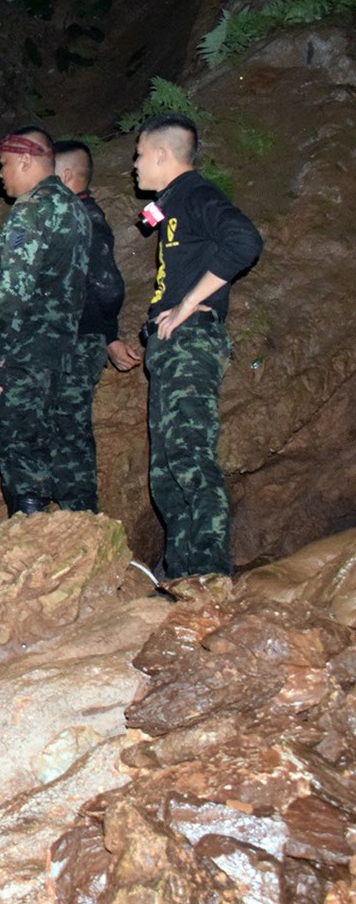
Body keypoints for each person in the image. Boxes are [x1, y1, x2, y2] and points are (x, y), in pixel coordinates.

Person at [132, 113, 263, 578]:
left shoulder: (196, 194)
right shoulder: (173, 203)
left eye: (140, 154)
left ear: (163, 155)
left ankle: (208, 572)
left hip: (191, 342)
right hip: (171, 347)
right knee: (167, 469)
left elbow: (244, 240)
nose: (134, 164)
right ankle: (181, 573)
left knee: (188, 455)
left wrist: (188, 303)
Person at [0, 126, 90, 516]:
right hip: (60, 354)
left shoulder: (30, 209)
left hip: (23, 353)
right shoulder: (76, 209)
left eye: (5, 164)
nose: (0, 174)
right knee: (52, 445)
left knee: (21, 453)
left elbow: (12, 286)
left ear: (26, 160)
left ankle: (29, 532)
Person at [50, 141, 141, 513]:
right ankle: (68, 510)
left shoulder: (86, 218)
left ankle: (81, 513)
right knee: (59, 422)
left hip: (80, 339)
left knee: (70, 427)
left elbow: (107, 285)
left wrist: (108, 336)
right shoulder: (67, 217)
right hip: (68, 339)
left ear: (67, 176)